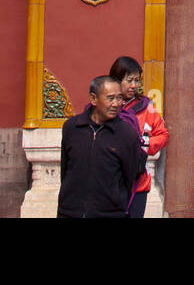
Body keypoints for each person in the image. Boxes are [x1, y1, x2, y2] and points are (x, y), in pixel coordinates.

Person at [57, 76, 145, 218]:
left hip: (109, 213)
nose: (116, 104)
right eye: (110, 98)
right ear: (93, 99)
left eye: (119, 98)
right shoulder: (72, 128)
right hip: (70, 212)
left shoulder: (127, 135)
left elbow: (129, 178)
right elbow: (66, 170)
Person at [110, 55, 169, 218]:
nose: (134, 85)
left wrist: (144, 144)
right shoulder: (107, 105)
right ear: (116, 79)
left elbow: (163, 134)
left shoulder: (146, 106)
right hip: (109, 179)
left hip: (138, 180)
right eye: (129, 81)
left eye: (137, 81)